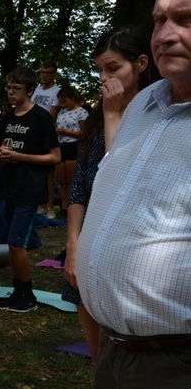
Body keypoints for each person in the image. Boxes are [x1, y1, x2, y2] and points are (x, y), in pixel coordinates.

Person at [77, 0, 191, 389]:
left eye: (185, 19)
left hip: (177, 371)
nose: (163, 34)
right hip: (115, 355)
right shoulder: (145, 101)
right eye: (160, 19)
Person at [63, 25, 157, 362]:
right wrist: (73, 247)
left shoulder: (155, 117)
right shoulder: (96, 119)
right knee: (100, 358)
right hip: (88, 241)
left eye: (113, 68)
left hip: (130, 252)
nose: (104, 77)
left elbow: (120, 179)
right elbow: (80, 189)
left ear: (142, 63)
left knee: (127, 359)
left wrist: (114, 114)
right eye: (100, 69)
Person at [0, 67, 61, 313]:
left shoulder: (41, 117)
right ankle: (18, 291)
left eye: (17, 89)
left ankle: (29, 295)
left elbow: (55, 157)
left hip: (29, 189)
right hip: (8, 185)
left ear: (30, 91)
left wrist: (19, 156)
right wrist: (0, 152)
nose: (11, 93)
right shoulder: (8, 117)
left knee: (16, 243)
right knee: (10, 244)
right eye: (9, 88)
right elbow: (1, 148)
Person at [31, 62, 60, 219]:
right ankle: (40, 204)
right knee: (37, 172)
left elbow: (52, 115)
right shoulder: (36, 90)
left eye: (48, 72)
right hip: (33, 132)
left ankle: (50, 206)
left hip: (46, 134)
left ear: (54, 74)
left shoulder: (57, 92)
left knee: (49, 172)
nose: (44, 75)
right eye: (42, 72)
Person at [53, 85, 88, 213]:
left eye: (65, 101)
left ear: (72, 98)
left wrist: (66, 132)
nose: (63, 105)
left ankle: (75, 208)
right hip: (61, 145)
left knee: (72, 180)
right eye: (61, 102)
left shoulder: (81, 112)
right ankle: (64, 207)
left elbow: (84, 133)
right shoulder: (62, 112)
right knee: (62, 180)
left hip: (73, 146)